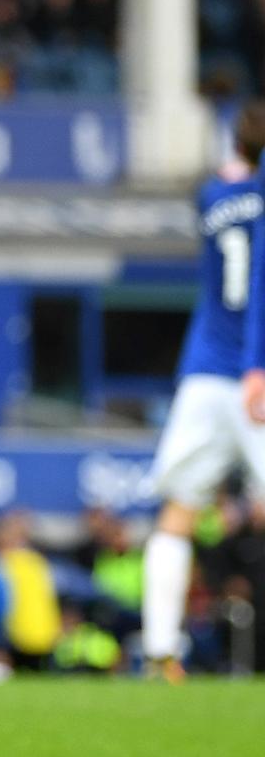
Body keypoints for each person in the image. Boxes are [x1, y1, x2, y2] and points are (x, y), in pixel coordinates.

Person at [145, 103, 265, 677]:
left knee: (179, 511)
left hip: (203, 372)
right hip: (256, 371)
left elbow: (224, 182)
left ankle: (160, 650)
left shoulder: (212, 197)